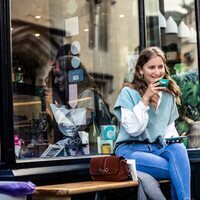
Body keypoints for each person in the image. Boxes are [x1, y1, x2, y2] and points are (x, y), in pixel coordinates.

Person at [114, 46, 190, 200]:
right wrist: (145, 99)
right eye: (151, 67)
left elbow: (169, 132)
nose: (157, 72)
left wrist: (175, 140)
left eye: (160, 67)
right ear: (141, 70)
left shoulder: (168, 96)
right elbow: (134, 130)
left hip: (156, 149)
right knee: (179, 171)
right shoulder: (128, 93)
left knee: (179, 149)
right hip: (130, 151)